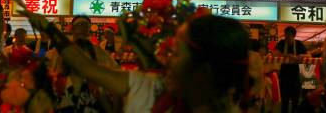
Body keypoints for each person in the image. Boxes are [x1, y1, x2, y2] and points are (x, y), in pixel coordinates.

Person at [26, 12, 250, 112]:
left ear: (204, 68)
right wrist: (49, 28)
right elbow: (87, 68)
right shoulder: (152, 86)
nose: (167, 59)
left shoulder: (154, 88)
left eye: (177, 53)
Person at [274, 26, 308, 113]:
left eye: (288, 36)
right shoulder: (281, 43)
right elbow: (275, 53)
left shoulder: (299, 44)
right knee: (284, 102)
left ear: (294, 35)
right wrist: (289, 56)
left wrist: (301, 56)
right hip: (284, 77)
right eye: (285, 35)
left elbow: (308, 55)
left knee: (295, 102)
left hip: (295, 76)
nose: (286, 37)